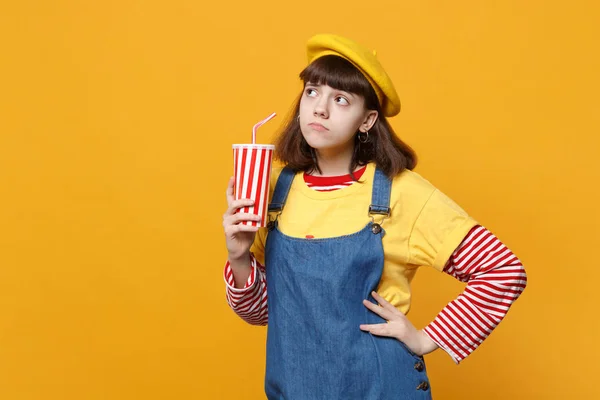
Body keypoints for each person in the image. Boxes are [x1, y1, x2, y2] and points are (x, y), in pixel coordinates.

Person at [221, 33, 527, 399]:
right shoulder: (274, 191)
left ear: (367, 120)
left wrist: (426, 338)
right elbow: (264, 314)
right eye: (312, 92)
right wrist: (239, 256)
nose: (320, 109)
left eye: (340, 99)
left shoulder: (401, 192)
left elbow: (502, 270)